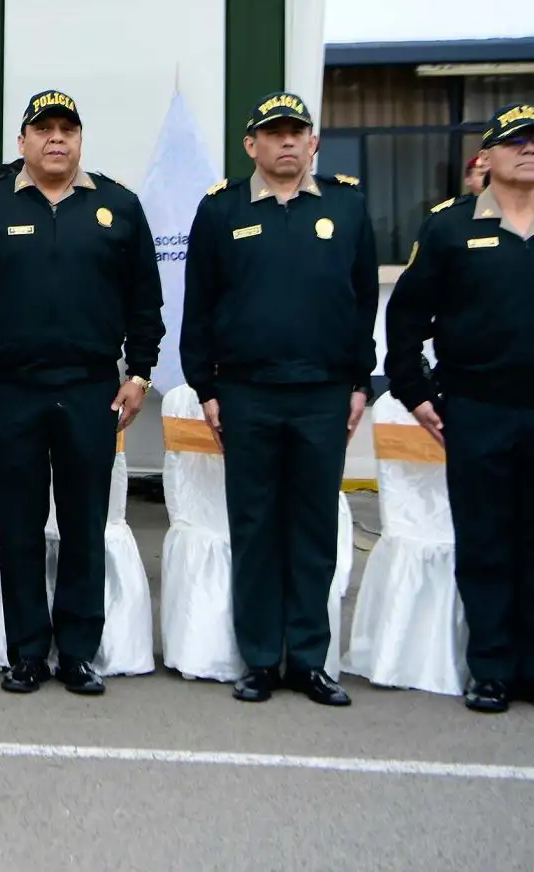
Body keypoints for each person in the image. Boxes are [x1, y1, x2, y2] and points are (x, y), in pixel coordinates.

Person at [0, 90, 163, 696]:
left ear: (81, 140)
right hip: (12, 391)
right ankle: (27, 651)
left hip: (92, 390)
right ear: (23, 142)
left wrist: (139, 374)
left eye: (67, 129)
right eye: (43, 129)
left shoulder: (118, 205)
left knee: (85, 525)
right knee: (18, 526)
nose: (55, 139)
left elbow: (146, 299)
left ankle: (80, 652)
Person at [181, 92, 376, 708]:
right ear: (252, 145)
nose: (287, 141)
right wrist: (206, 387)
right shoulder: (220, 210)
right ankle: (262, 659)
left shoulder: (346, 205)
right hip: (247, 395)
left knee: (315, 529)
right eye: (274, 132)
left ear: (313, 142)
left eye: (297, 131)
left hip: (322, 394)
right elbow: (200, 307)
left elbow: (362, 299)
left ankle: (311, 660)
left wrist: (358, 381)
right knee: (257, 527)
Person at [385, 102, 534, 714]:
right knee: (487, 541)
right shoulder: (450, 227)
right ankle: (493, 669)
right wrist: (416, 393)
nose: (528, 150)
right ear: (488, 157)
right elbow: (406, 319)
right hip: (479, 409)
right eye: (516, 141)